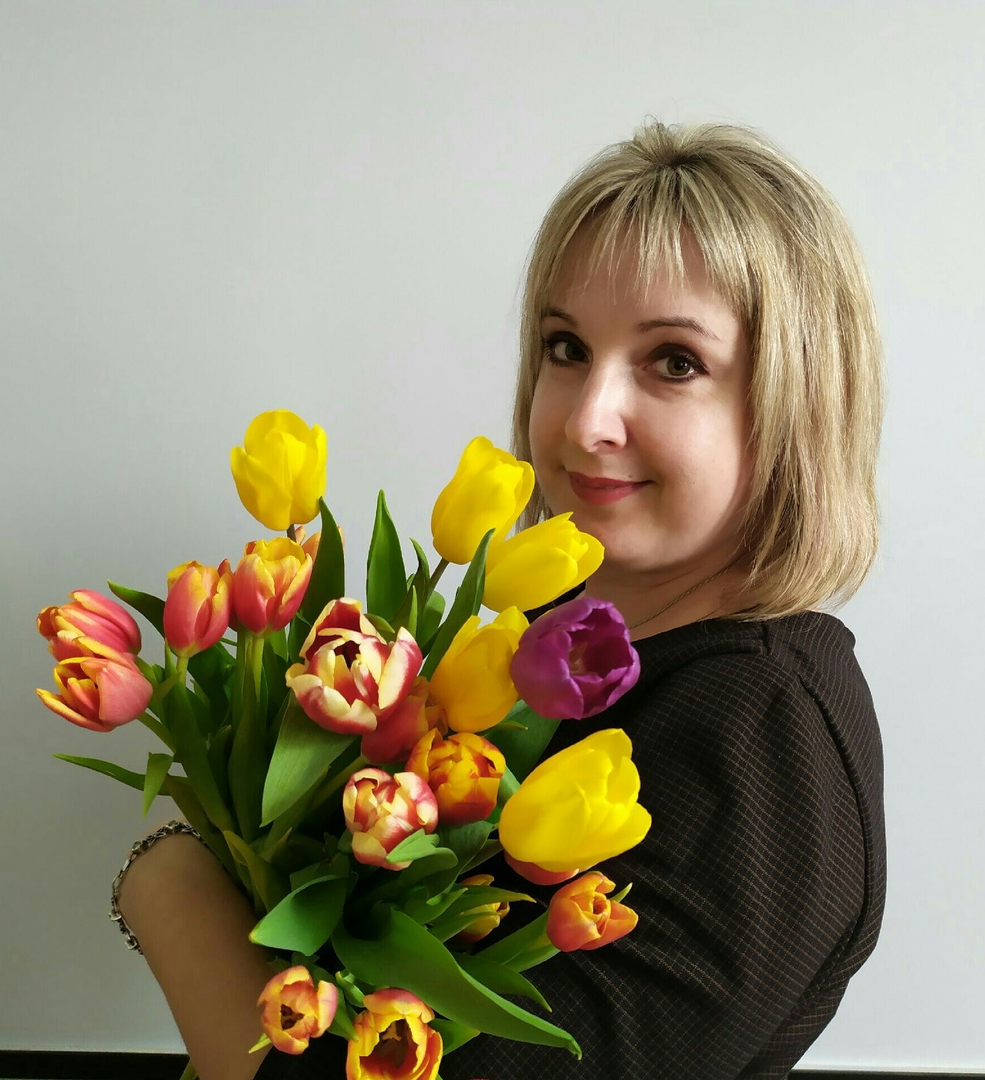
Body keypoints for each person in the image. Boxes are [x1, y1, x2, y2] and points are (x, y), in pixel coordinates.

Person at [114, 120, 885, 1080]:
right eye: (567, 347)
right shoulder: (558, 658)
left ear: (795, 402)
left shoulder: (761, 731)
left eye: (674, 362)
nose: (587, 420)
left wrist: (171, 882)